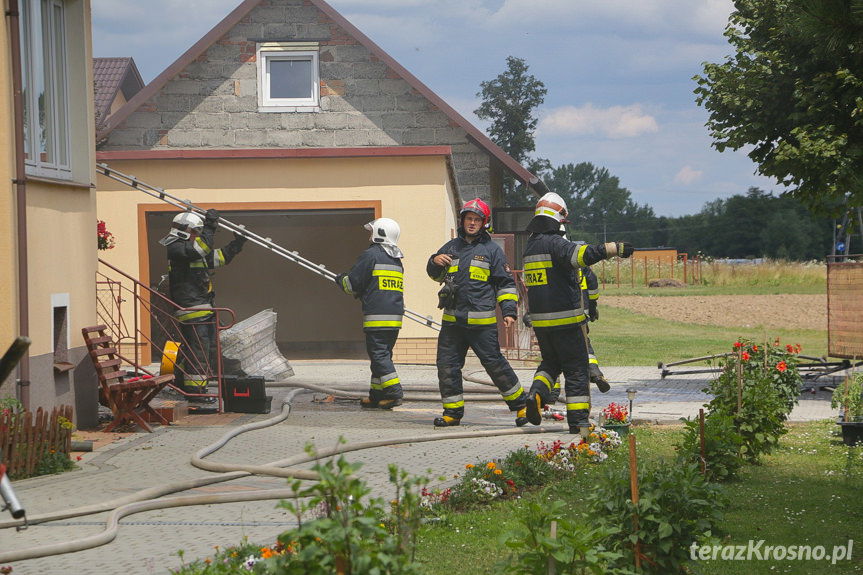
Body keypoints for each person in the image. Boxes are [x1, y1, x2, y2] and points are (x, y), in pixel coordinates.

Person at [521, 192, 633, 433]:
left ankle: (536, 395)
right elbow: (580, 256)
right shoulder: (555, 243)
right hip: (567, 321)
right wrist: (613, 248)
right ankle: (579, 422)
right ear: (559, 217)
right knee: (576, 370)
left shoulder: (530, 248)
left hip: (541, 324)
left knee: (551, 363)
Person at [427, 198, 527, 427]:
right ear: (462, 221)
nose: (472, 223)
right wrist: (434, 261)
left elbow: (505, 284)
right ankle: (452, 413)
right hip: (453, 323)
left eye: (477, 220)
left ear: (484, 223)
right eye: (468, 219)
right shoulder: (450, 248)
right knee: (447, 365)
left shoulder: (492, 251)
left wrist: (509, 311)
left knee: (494, 365)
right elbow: (435, 276)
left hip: (482, 324)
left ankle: (522, 406)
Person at [160, 208, 246, 402]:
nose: (197, 235)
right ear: (184, 230)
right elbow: (201, 248)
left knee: (207, 351)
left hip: (203, 310)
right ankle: (197, 394)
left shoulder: (191, 250)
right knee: (198, 352)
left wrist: (238, 243)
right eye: (196, 231)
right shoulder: (176, 247)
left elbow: (219, 258)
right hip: (191, 311)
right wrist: (209, 226)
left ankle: (183, 382)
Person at [335, 218, 405, 409]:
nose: (369, 235)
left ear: (379, 233)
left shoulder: (371, 255)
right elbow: (378, 286)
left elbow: (352, 285)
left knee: (379, 356)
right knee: (382, 356)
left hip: (377, 317)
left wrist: (340, 279)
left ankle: (394, 393)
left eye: (371, 231)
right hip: (394, 318)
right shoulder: (396, 259)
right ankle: (376, 395)